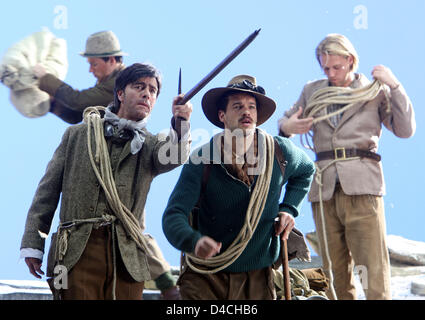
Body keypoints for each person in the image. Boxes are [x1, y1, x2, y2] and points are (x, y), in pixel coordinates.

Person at [20, 63, 193, 300]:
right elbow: (46, 193)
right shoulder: (77, 136)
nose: (147, 94)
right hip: (75, 253)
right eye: (139, 87)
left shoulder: (151, 146)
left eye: (153, 91)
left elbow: (175, 156)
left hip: (127, 260)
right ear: (120, 93)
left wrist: (181, 123)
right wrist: (33, 243)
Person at [278, 34, 416, 300]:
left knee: (372, 266)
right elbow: (286, 122)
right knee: (332, 270)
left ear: (351, 60)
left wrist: (395, 86)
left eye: (336, 67)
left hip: (363, 184)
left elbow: (405, 129)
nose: (330, 73)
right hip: (324, 186)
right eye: (325, 68)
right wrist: (288, 127)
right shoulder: (312, 91)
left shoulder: (374, 90)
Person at [162, 75, 315, 300]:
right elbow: (173, 216)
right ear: (222, 115)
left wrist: (289, 209)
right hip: (206, 278)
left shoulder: (280, 152)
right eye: (238, 106)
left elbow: (306, 171)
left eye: (252, 107)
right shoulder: (202, 159)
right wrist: (193, 241)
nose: (247, 112)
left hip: (258, 277)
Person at [33, 30, 126, 124]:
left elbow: (77, 101)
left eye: (94, 64)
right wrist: (52, 103)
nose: (90, 70)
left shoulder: (119, 83)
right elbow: (77, 115)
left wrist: (45, 78)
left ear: (111, 61)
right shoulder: (109, 82)